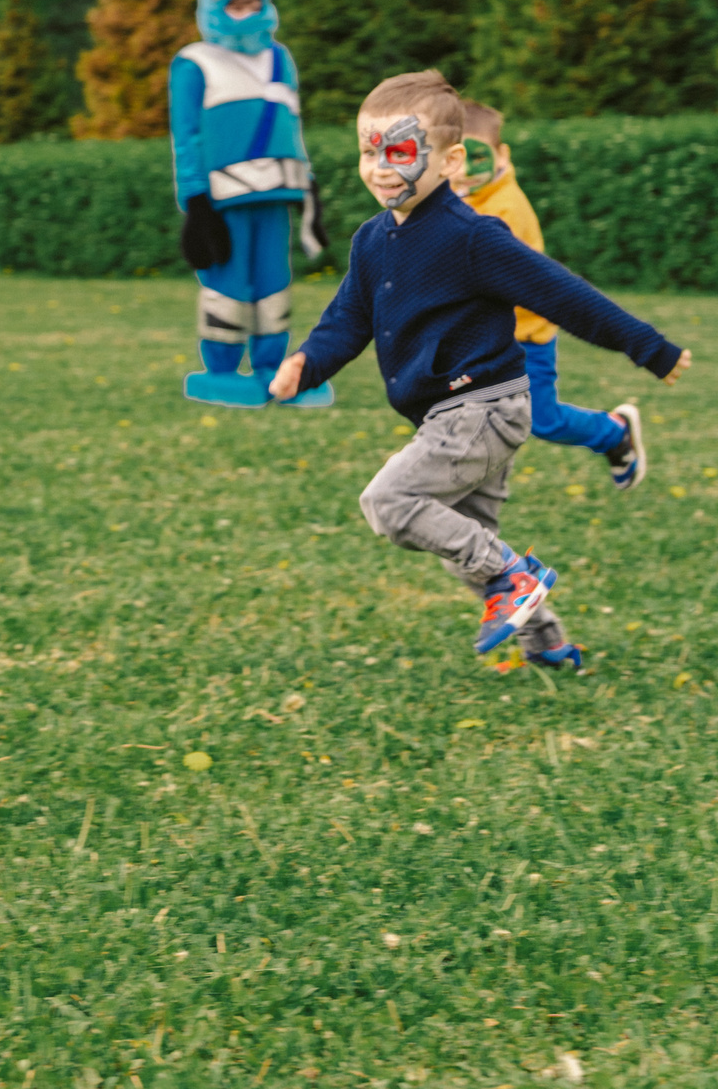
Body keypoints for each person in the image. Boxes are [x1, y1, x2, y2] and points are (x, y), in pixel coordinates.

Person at [268, 72, 690, 672]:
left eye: (400, 152)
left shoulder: (472, 237)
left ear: (450, 161)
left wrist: (649, 348)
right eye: (368, 151)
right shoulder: (372, 241)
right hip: (455, 413)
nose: (381, 168)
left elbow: (563, 295)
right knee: (464, 543)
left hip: (484, 408)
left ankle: (515, 578)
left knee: (390, 501)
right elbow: (348, 321)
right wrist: (307, 364)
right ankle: (548, 645)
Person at [457, 100, 647, 490]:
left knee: (541, 419)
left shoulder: (504, 211)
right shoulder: (468, 196)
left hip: (525, 335)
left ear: (501, 155)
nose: (464, 170)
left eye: (476, 157)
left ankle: (614, 432)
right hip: (491, 335)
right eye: (455, 158)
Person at [171, 0, 333, 407]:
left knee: (273, 282)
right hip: (223, 197)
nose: (247, 13)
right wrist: (195, 200)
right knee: (228, 281)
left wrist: (308, 187)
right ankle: (221, 370)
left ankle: (272, 368)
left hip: (278, 189)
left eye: (254, 4)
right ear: (215, 9)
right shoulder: (194, 62)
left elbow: (292, 125)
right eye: (236, 6)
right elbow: (186, 136)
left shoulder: (280, 58)